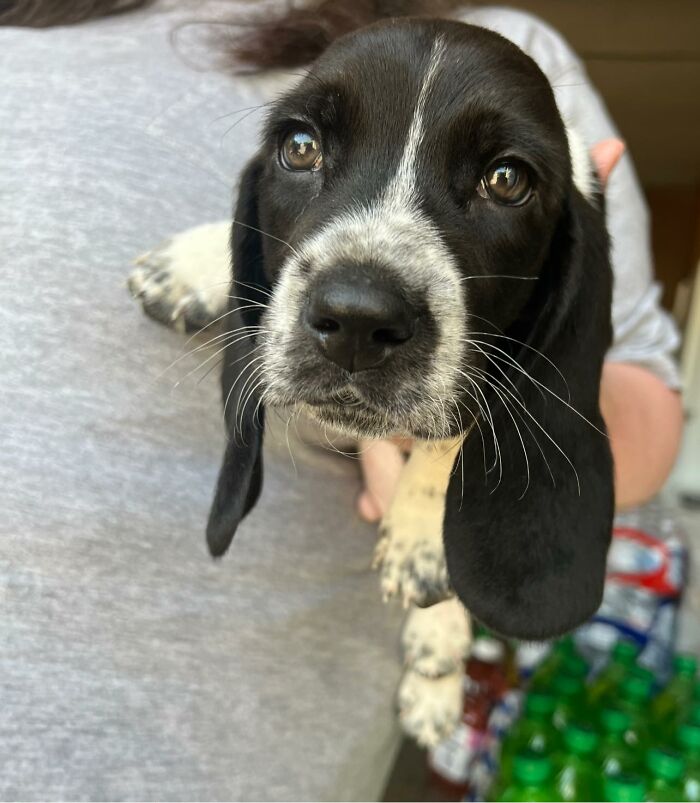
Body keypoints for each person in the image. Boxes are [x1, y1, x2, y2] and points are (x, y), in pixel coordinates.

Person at [0, 1, 683, 799]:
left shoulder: (521, 53)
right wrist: (235, 257)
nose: (358, 296)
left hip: (278, 747)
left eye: (504, 178)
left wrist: (458, 452)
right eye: (301, 144)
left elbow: (643, 396)